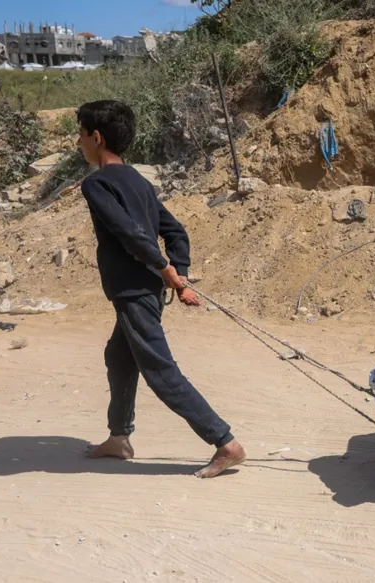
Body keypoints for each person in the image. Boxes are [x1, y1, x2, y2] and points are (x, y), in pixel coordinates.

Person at [75, 100, 246, 479]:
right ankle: (119, 438)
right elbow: (175, 232)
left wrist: (167, 269)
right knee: (119, 357)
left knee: (160, 371)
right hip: (144, 290)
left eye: (81, 133)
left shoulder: (97, 184)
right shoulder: (139, 182)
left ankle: (225, 442)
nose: (79, 142)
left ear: (96, 137)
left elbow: (129, 233)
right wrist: (177, 272)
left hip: (135, 292)